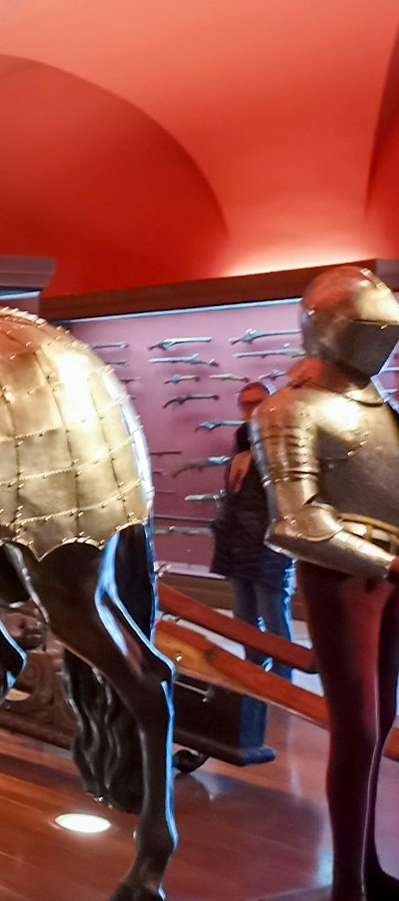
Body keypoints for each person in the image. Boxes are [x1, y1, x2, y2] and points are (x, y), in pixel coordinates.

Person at [253, 266, 399, 901]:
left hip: (387, 574)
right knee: (358, 729)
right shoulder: (287, 409)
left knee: (381, 723)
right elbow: (297, 523)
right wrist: (385, 564)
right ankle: (345, 883)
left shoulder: (382, 409)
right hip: (345, 576)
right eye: (368, 331)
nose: (379, 345)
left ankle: (366, 869)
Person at [209, 381, 296, 678]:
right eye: (246, 404)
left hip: (270, 542)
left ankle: (284, 684)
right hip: (238, 540)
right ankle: (255, 676)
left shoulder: (282, 439)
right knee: (244, 617)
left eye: (258, 402)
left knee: (273, 617)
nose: (252, 409)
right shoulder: (243, 439)